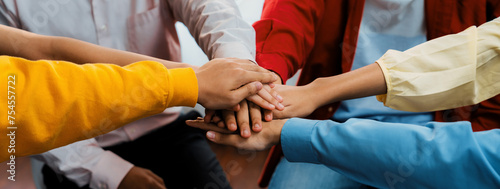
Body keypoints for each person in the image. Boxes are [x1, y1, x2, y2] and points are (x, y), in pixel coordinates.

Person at [186, 16, 500, 188]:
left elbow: (463, 155)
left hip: (437, 127)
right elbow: (474, 52)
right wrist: (260, 83)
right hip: (331, 119)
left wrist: (285, 132)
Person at [0, 1, 281, 188]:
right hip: (72, 143)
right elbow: (20, 101)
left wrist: (237, 72)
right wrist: (110, 173)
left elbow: (210, 9)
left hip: (165, 127)